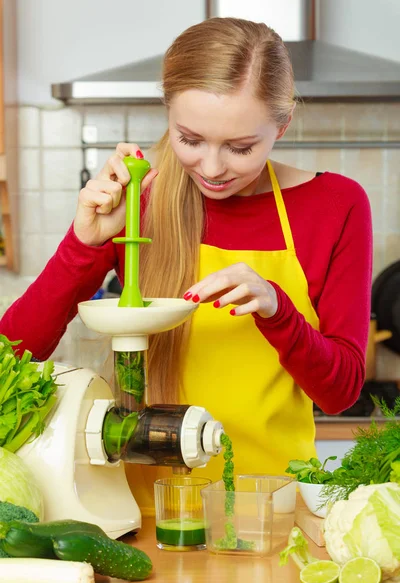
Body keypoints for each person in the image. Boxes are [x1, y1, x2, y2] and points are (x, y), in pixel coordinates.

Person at [0, 17, 372, 514]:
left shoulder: (337, 205)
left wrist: (276, 311)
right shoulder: (138, 198)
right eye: (190, 139)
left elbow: (341, 392)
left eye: (241, 148)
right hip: (139, 512)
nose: (214, 169)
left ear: (281, 127)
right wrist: (84, 244)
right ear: (168, 113)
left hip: (269, 514)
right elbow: (13, 355)